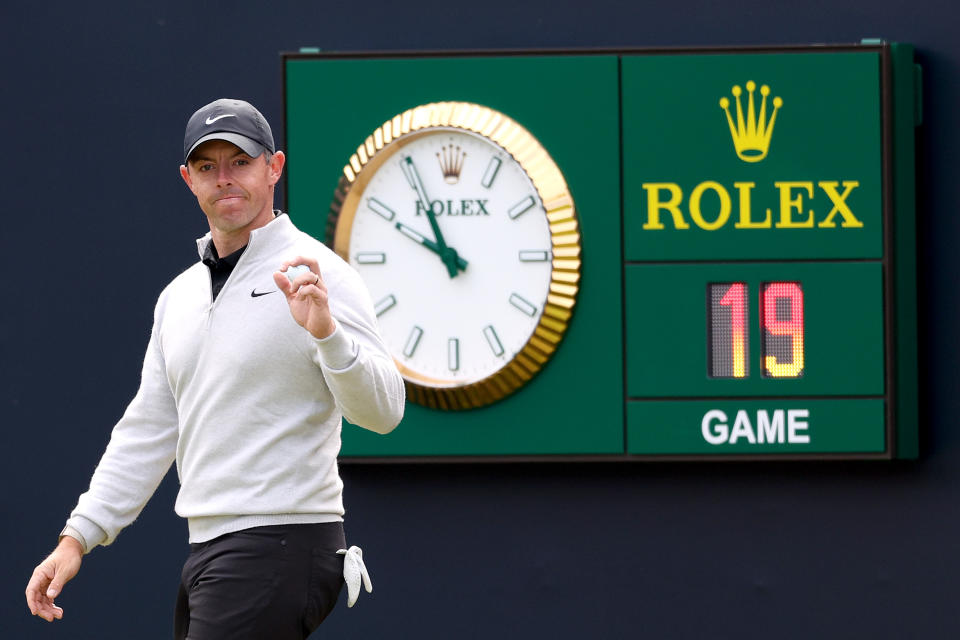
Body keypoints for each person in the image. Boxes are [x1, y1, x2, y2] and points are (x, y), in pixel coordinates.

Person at [24, 98, 405, 639]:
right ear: (188, 180)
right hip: (210, 551)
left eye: (241, 162)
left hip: (282, 543)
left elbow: (385, 411)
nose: (225, 179)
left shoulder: (323, 276)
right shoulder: (177, 297)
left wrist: (327, 333)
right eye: (208, 167)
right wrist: (76, 538)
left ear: (274, 167)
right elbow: (150, 428)